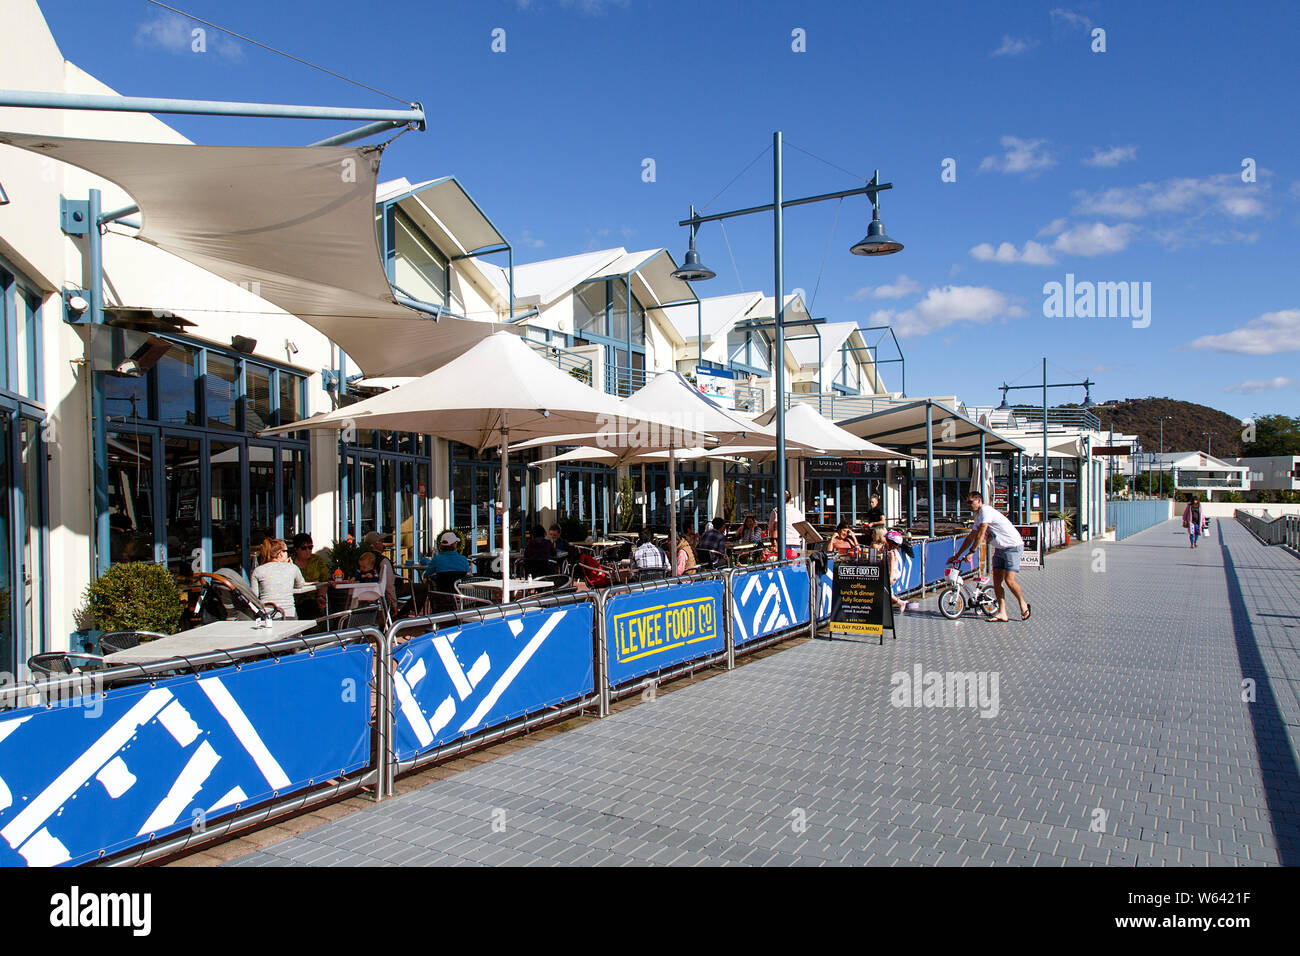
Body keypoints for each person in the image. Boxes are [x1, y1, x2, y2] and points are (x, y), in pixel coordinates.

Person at [949, 490, 1030, 622]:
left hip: (1012, 547)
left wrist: (972, 552)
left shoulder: (986, 511)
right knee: (997, 581)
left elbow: (981, 533)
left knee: (1009, 580)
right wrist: (957, 555)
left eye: (970, 502)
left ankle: (1023, 603)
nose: (968, 505)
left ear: (979, 501)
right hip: (999, 549)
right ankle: (1002, 612)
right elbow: (971, 537)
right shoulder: (978, 517)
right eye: (967, 503)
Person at [250, 538, 311, 619]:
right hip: (289, 614)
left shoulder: (258, 571)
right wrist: (289, 566)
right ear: (281, 554)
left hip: (268, 616)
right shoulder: (292, 568)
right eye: (286, 551)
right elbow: (300, 584)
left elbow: (254, 597)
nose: (288, 554)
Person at [360, 531, 398, 612]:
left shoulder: (362, 558)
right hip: (383, 591)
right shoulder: (383, 560)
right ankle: (401, 614)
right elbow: (389, 584)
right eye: (381, 541)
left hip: (367, 591)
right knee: (421, 588)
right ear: (375, 544)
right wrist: (394, 603)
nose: (383, 543)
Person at [768, 490, 806, 556]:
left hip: (782, 543)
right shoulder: (797, 512)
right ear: (790, 499)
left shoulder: (776, 511)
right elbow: (802, 529)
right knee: (795, 564)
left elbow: (771, 528)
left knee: (782, 565)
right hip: (795, 542)